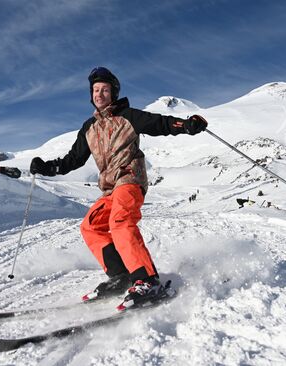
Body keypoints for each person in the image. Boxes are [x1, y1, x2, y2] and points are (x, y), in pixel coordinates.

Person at [30, 67, 208, 310]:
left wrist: (185, 124)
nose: (99, 94)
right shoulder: (89, 128)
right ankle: (121, 275)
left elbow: (160, 123)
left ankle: (146, 279)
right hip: (110, 188)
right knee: (91, 226)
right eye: (95, 90)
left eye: (104, 89)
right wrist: (47, 168)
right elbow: (73, 159)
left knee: (120, 221)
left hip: (130, 178)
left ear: (113, 93)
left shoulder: (128, 116)